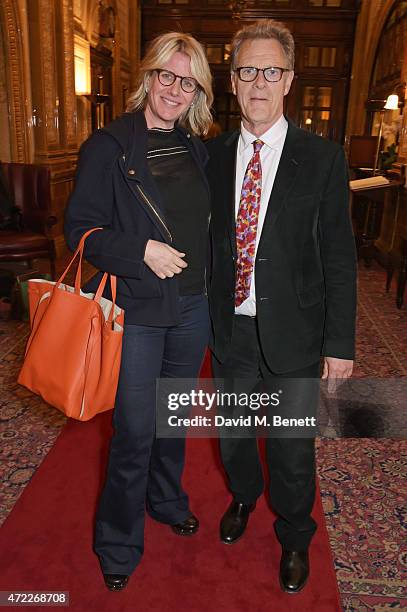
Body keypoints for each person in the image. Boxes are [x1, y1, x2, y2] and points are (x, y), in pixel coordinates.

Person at [206, 19, 356, 594]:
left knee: (291, 450)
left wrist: (338, 345)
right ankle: (243, 499)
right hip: (232, 332)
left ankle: (295, 534)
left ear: (289, 80)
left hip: (295, 334)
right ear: (234, 80)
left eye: (271, 70)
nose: (259, 82)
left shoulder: (322, 159)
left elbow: (340, 258)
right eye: (248, 70)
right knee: (235, 438)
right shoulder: (214, 156)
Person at [64, 32, 213, 591]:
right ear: (148, 77)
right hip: (139, 308)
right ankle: (118, 539)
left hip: (193, 307)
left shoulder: (198, 147)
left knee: (173, 420)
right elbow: (80, 232)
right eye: (166, 76)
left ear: (197, 90)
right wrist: (139, 250)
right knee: (134, 430)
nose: (175, 89)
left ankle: (167, 499)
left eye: (187, 80)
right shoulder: (109, 144)